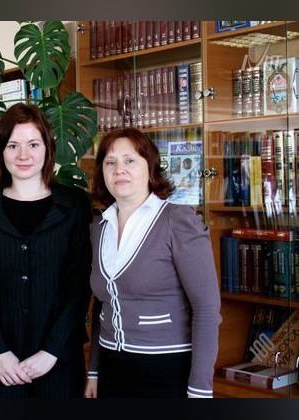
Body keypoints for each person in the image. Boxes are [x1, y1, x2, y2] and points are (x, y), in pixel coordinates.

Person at [0, 103, 92, 397]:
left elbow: (78, 284)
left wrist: (51, 351)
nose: (23, 155)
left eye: (33, 144)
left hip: (58, 361)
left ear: (47, 148)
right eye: (13, 145)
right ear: (1, 151)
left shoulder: (74, 204)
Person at [84, 128, 221, 398]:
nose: (119, 169)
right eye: (110, 162)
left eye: (130, 160)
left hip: (166, 371)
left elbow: (206, 309)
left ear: (150, 168)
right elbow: (104, 303)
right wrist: (94, 371)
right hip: (112, 370)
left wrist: (200, 389)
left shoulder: (178, 221)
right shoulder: (99, 227)